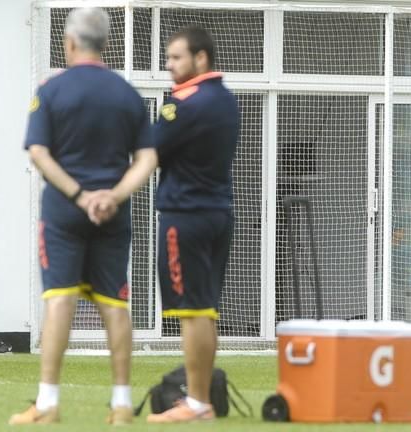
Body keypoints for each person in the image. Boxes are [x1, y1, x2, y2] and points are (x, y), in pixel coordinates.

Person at [9, 8, 157, 425]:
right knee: (114, 304)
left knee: (60, 301)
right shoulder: (127, 94)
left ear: (69, 43)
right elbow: (147, 158)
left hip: (63, 214)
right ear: (106, 44)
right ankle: (123, 404)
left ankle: (49, 402)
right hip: (113, 214)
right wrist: (112, 195)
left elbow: (38, 152)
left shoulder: (51, 90)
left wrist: (78, 195)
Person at [146, 26, 240, 424]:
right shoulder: (227, 100)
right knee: (206, 311)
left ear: (201, 58)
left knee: (192, 312)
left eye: (176, 58)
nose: (169, 66)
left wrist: (108, 194)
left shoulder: (183, 103)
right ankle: (200, 400)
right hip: (219, 214)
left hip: (185, 217)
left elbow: (148, 151)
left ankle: (197, 403)